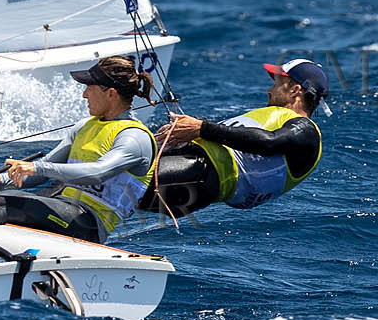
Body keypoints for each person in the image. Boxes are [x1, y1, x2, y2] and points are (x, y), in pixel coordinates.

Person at [0, 55, 158, 246]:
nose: (84, 94)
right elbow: (39, 176)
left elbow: (97, 172)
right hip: (60, 207)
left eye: (89, 88)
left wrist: (36, 166)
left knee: (6, 204)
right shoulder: (85, 126)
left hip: (89, 224)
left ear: (111, 93)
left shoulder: (133, 137)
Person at [140, 58, 328, 218]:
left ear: (295, 90)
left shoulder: (306, 131)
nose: (269, 91)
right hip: (193, 175)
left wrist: (201, 128)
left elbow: (270, 142)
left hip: (196, 173)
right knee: (116, 194)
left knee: (122, 183)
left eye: (276, 85)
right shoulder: (274, 118)